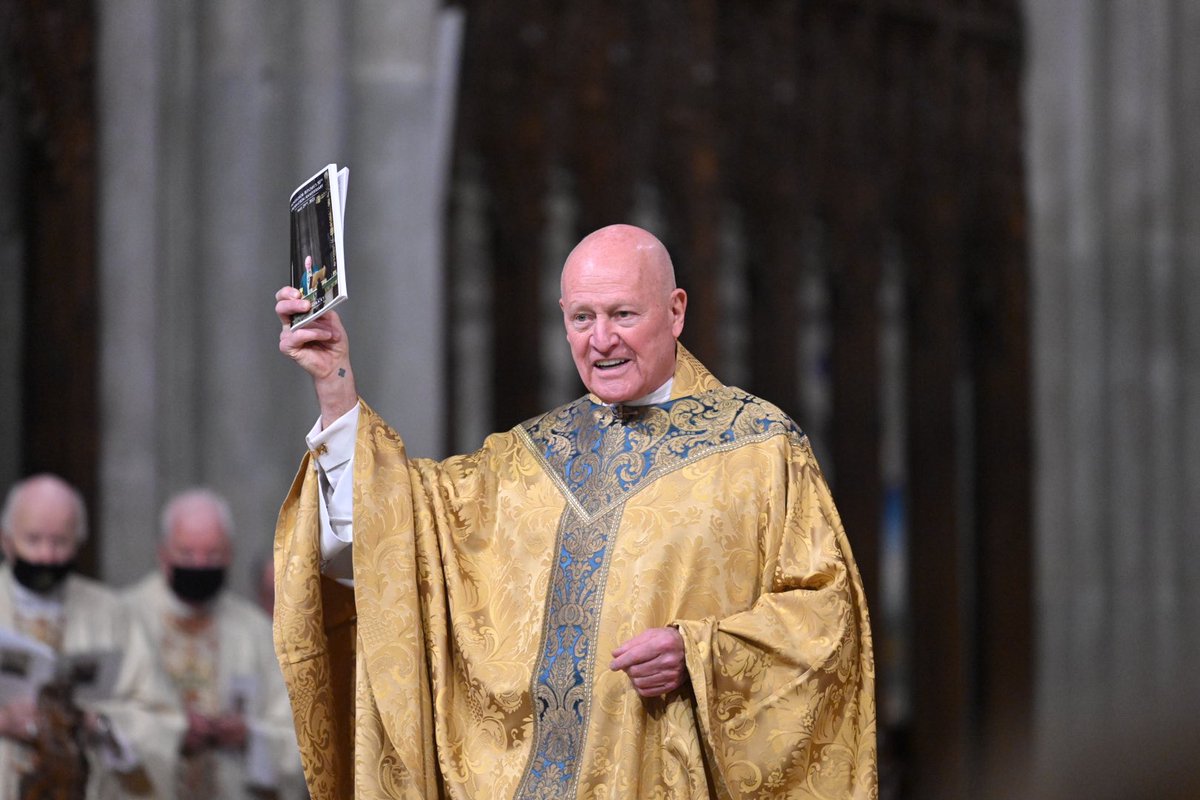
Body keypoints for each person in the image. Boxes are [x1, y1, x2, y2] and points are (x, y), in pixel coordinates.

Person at [273, 224, 877, 798]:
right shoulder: (526, 460)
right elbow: (399, 532)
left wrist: (702, 654)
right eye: (583, 317)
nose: (602, 339)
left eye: (623, 314)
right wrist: (334, 383)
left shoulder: (759, 447)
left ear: (675, 311)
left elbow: (827, 619)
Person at [0, 474, 184, 799]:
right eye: (33, 539)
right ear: (6, 539)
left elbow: (160, 718)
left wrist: (95, 722)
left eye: (60, 542)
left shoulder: (113, 614)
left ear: (79, 541)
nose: (46, 555)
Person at [122, 489, 304, 800]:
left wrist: (250, 736)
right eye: (188, 554)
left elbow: (299, 732)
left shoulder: (257, 632)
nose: (200, 564)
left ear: (230, 554)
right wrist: (172, 732)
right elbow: (100, 719)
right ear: (163, 554)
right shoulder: (124, 620)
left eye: (213, 554)